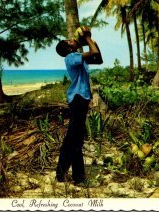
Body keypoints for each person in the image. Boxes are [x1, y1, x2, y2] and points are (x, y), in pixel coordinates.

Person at [55, 26, 103, 185]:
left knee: (73, 138)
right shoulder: (70, 57)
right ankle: (78, 177)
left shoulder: (78, 57)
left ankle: (61, 174)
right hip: (78, 98)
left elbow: (98, 58)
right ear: (68, 48)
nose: (72, 39)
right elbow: (93, 53)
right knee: (75, 140)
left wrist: (93, 41)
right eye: (69, 41)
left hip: (81, 98)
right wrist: (88, 37)